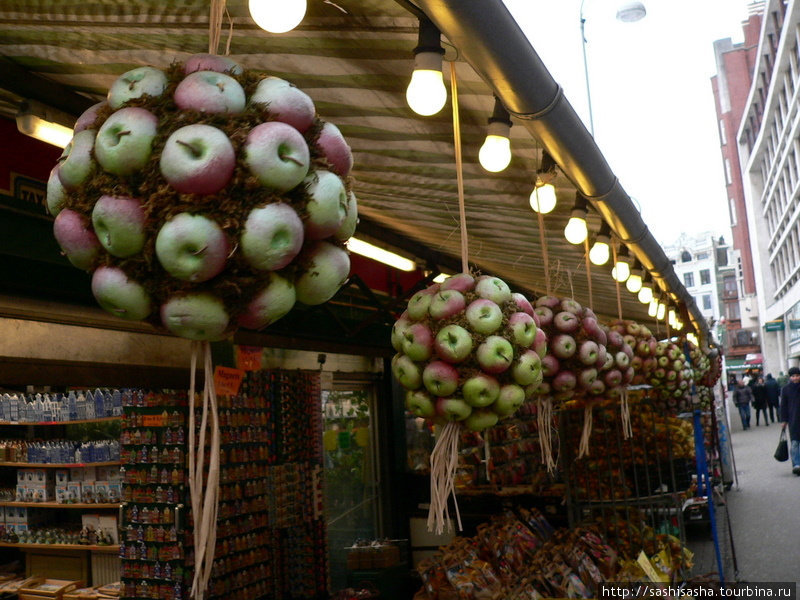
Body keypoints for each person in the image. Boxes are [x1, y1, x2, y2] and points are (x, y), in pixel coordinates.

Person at [781, 367, 800, 475]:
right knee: (794, 443)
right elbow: (783, 406)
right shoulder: (786, 389)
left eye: (797, 375)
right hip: (793, 420)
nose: (795, 378)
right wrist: (784, 420)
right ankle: (796, 465)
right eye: (793, 376)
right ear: (790, 377)